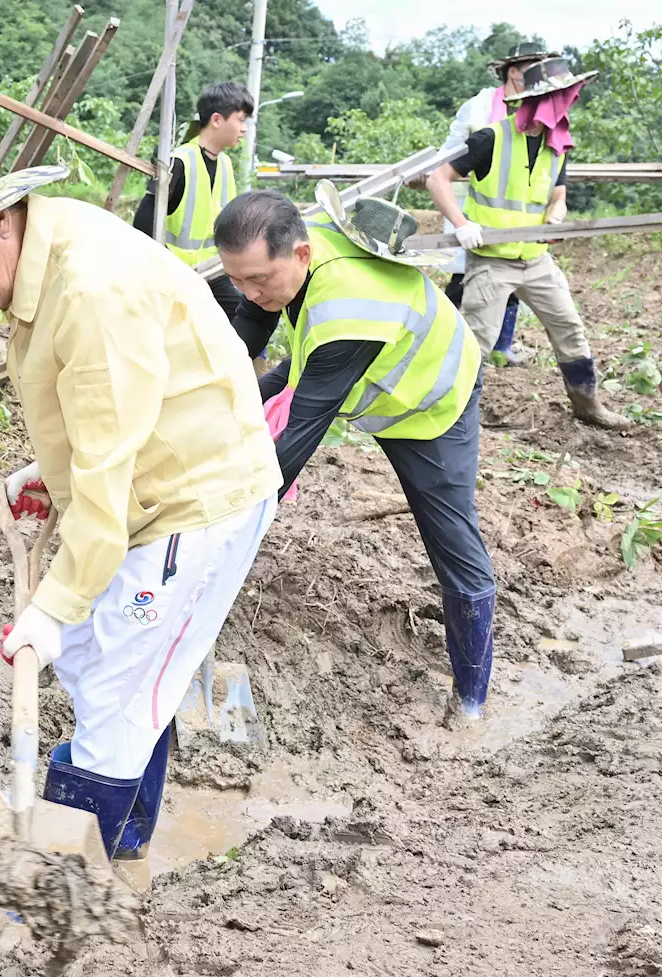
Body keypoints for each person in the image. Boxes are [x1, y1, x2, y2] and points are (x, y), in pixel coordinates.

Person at [0, 137, 280, 864]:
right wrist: (49, 474)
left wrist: (48, 608)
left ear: (1, 220)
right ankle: (125, 839)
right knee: (94, 665)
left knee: (114, 695)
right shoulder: (43, 266)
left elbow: (109, 469)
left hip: (192, 500)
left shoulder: (90, 287)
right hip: (148, 479)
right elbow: (109, 411)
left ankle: (64, 900)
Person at [218, 187, 495, 722]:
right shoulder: (294, 259)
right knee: (252, 397)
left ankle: (471, 700)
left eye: (258, 279)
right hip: (355, 368)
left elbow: (293, 448)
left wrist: (218, 524)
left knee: (452, 542)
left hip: (429, 401)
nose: (248, 293)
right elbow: (243, 344)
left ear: (299, 255)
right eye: (236, 279)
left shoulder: (346, 312)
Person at [426, 56, 625, 428]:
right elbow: (438, 179)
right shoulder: (492, 137)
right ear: (539, 101)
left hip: (536, 260)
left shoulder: (557, 144)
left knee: (568, 326)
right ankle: (448, 412)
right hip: (492, 260)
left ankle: (588, 406)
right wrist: (461, 223)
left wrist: (557, 214)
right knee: (477, 341)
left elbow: (558, 195)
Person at [429, 42, 557, 364]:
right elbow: (453, 155)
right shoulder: (481, 107)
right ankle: (442, 339)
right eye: (531, 67)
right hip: (474, 204)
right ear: (513, 71)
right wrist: (460, 220)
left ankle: (502, 345)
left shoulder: (543, 107)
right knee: (468, 281)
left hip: (517, 218)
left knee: (511, 283)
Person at [133, 82, 262, 366]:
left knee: (251, 313)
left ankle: (236, 378)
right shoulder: (179, 162)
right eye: (241, 120)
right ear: (217, 119)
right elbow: (142, 223)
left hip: (215, 272)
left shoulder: (226, 165)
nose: (244, 129)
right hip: (178, 274)